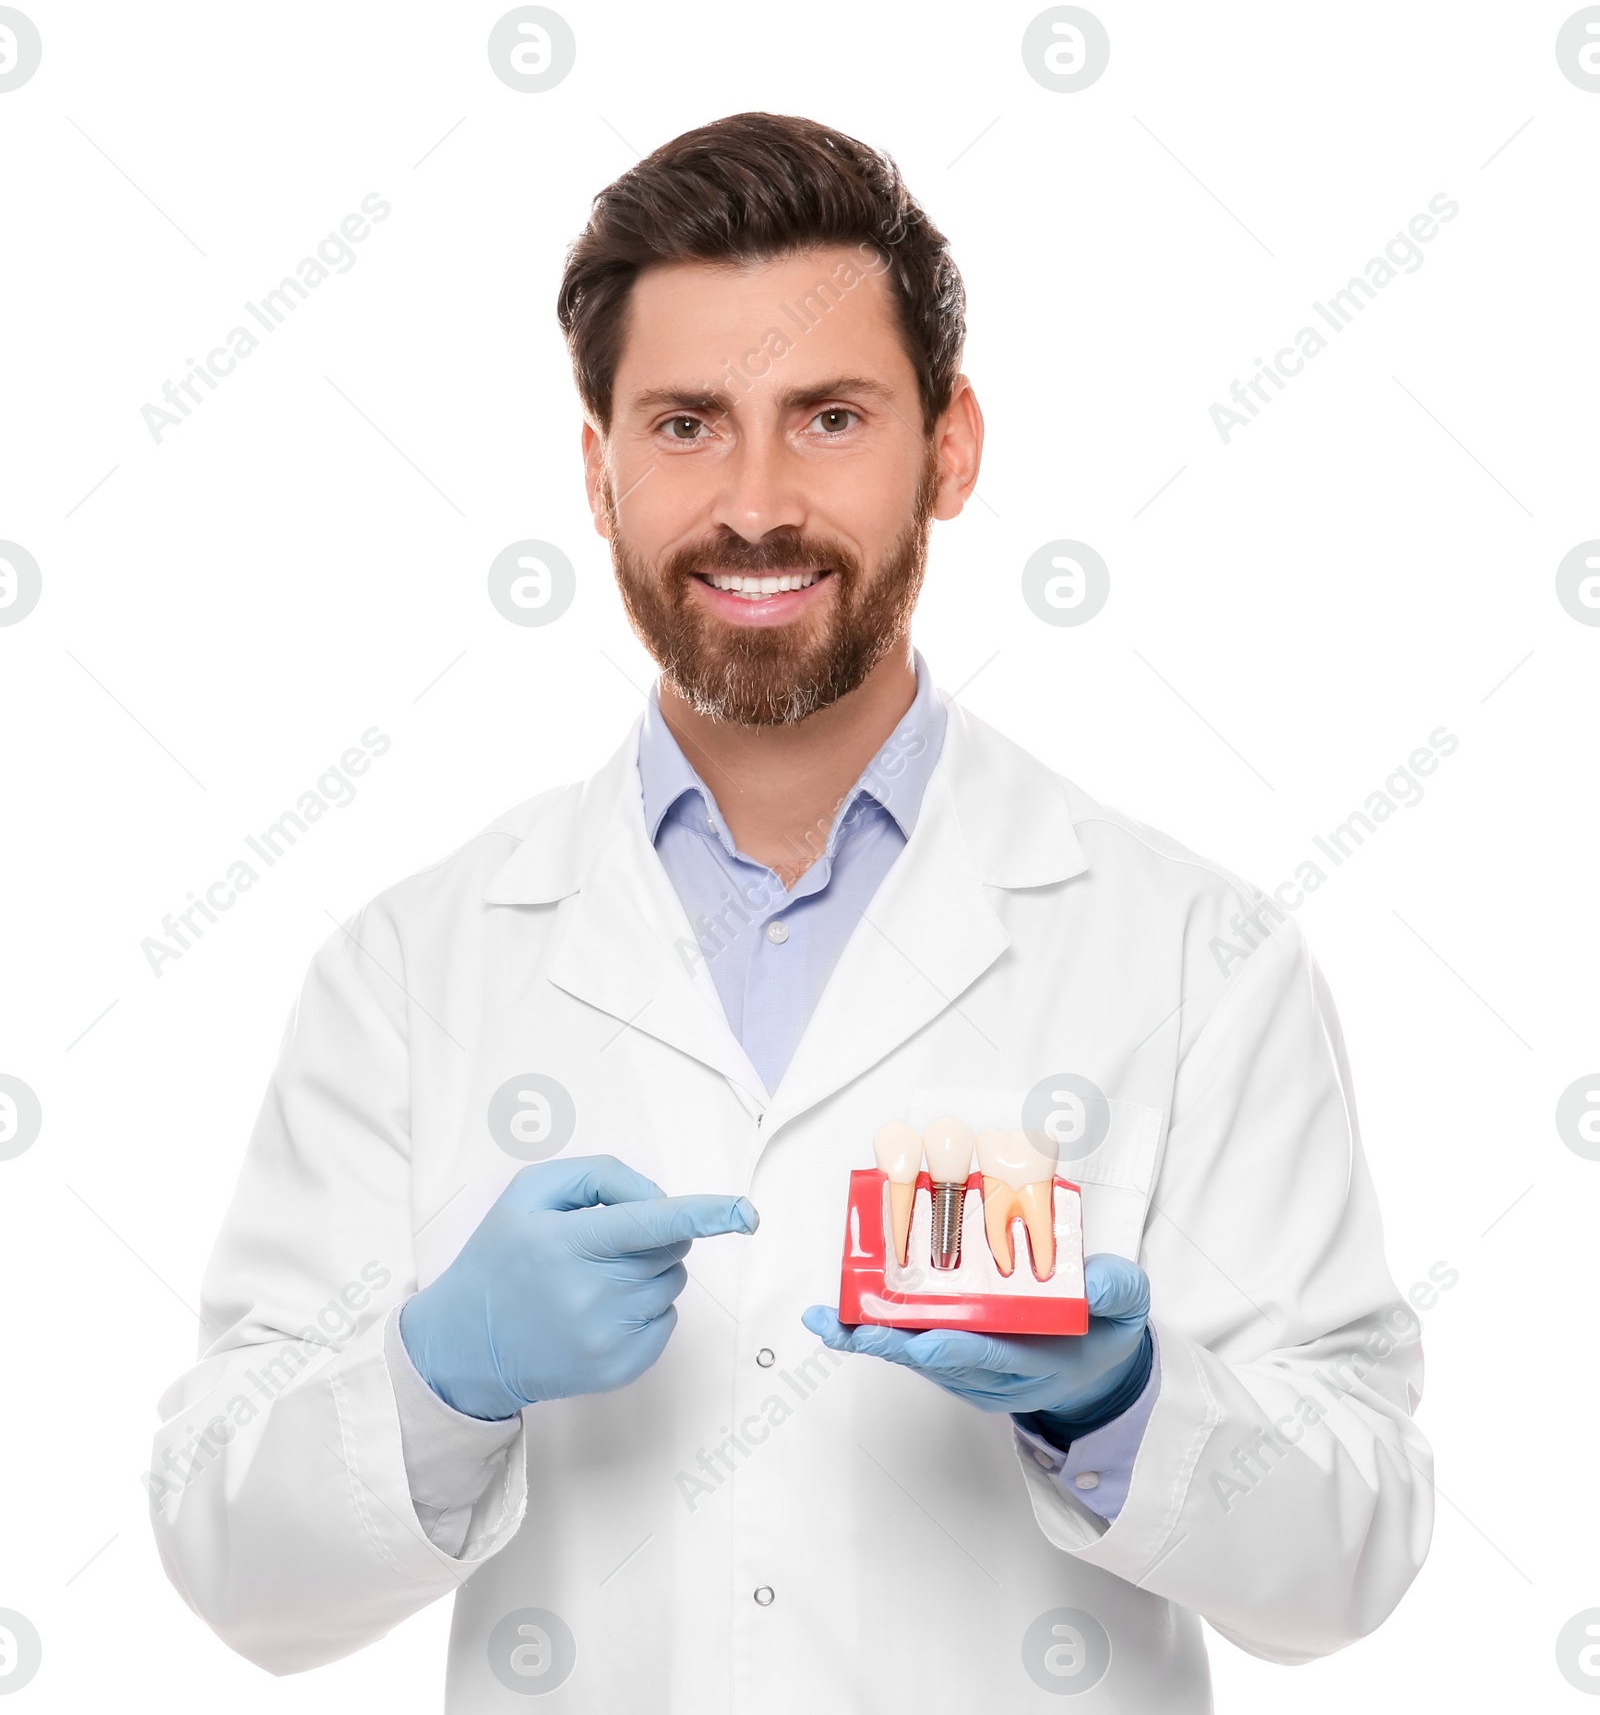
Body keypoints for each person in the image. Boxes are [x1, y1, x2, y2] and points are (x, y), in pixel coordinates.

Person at [149, 112, 1432, 1711]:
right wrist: (437, 1375)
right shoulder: (415, 966)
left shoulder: (1192, 953)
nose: (756, 502)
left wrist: (1123, 1402)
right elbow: (232, 1564)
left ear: (950, 448)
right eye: (685, 423)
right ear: (596, 467)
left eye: (830, 416)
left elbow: (1356, 1553)